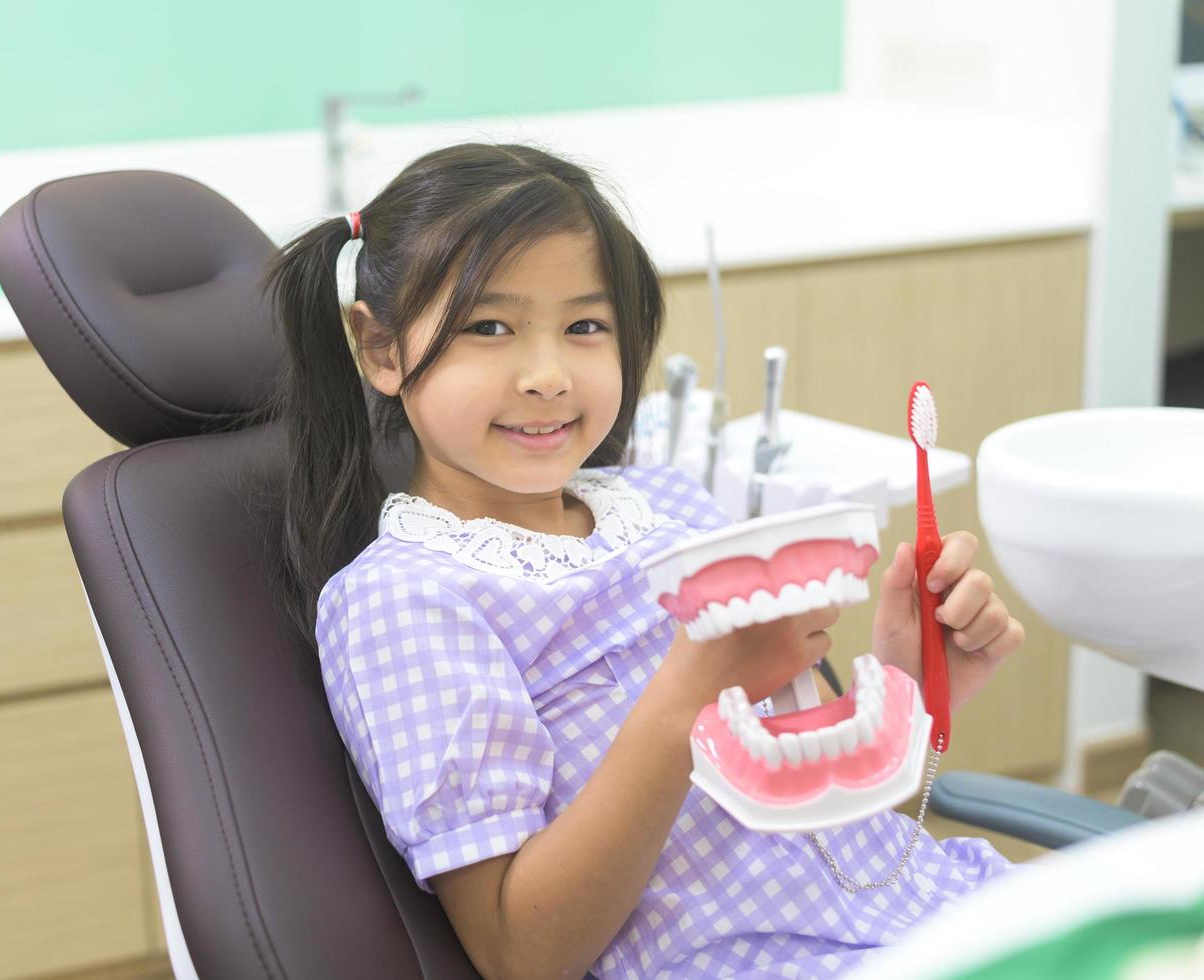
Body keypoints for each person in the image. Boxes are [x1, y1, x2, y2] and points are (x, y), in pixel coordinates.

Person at [260, 142, 1028, 979]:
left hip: (937, 912)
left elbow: (814, 802)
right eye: (489, 327)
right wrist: (685, 701)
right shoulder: (403, 601)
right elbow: (522, 952)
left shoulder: (669, 506)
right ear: (380, 350)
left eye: (585, 327)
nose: (549, 375)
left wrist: (911, 682)